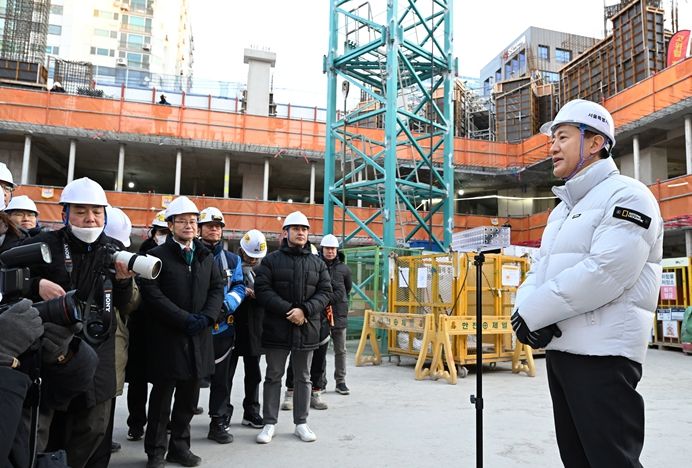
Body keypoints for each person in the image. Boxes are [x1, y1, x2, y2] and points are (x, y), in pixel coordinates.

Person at [512, 99, 663, 468]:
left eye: (563, 137)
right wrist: (522, 311)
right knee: (577, 460)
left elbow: (606, 272)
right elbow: (539, 268)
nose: (552, 147)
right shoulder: (562, 210)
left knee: (611, 461)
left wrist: (534, 313)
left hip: (603, 357)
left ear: (595, 143)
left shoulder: (628, 195)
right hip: (563, 351)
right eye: (552, 139)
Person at [24, 177, 137, 468]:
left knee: (94, 428)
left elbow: (124, 304)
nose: (90, 218)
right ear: (65, 213)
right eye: (81, 211)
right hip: (52, 350)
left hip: (100, 350)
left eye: (97, 212)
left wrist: (123, 282)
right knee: (42, 429)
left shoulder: (114, 250)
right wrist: (36, 284)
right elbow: (8, 277)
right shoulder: (42, 245)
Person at [139, 196, 223, 468]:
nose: (189, 226)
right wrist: (183, 319)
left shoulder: (205, 255)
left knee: (189, 398)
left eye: (193, 221)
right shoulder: (155, 256)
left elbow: (217, 288)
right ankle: (155, 452)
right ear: (171, 225)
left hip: (198, 335)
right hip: (168, 336)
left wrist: (207, 317)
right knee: (162, 399)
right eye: (182, 221)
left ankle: (179, 447)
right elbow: (152, 294)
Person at [254, 211, 332, 444]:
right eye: (296, 228)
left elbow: (326, 292)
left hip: (307, 328)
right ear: (285, 232)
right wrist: (290, 311)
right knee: (273, 376)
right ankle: (269, 423)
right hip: (277, 328)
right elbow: (262, 290)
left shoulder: (317, 263)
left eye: (304, 229)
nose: (301, 232)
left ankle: (301, 423)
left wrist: (305, 310)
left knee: (304, 377)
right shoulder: (271, 261)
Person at [197, 207, 245, 445]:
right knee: (188, 378)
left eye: (218, 226)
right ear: (200, 228)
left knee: (222, 380)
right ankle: (178, 421)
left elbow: (239, 287)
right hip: (196, 327)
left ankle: (217, 422)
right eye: (209, 226)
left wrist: (225, 308)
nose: (214, 229)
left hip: (223, 329)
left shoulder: (233, 260)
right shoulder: (191, 254)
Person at [125, 209, 169, 442]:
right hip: (141, 326)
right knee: (138, 380)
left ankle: (162, 420)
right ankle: (136, 422)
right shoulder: (139, 259)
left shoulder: (176, 257)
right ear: (152, 233)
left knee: (165, 380)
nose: (164, 235)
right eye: (160, 231)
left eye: (167, 231)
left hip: (166, 327)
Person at [104, 206, 140, 454]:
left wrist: (124, 281)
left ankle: (104, 440)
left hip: (112, 338)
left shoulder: (124, 265)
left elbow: (131, 304)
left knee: (107, 397)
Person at [227, 229, 268, 429]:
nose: (252, 260)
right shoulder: (230, 265)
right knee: (225, 374)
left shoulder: (264, 270)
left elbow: (271, 294)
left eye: (256, 258)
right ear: (242, 250)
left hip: (254, 327)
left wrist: (258, 294)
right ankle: (222, 414)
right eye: (250, 256)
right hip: (232, 325)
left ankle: (251, 412)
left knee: (253, 374)